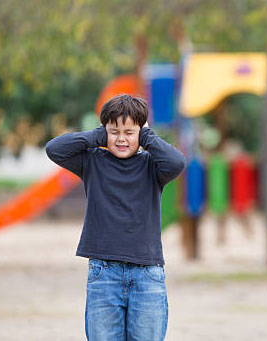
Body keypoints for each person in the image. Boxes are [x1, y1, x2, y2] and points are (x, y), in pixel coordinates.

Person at [46, 94, 186, 340]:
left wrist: (147, 137)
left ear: (141, 133)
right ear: (104, 132)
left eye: (130, 133)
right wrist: (98, 136)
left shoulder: (153, 167)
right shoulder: (92, 161)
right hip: (104, 272)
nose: (121, 139)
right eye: (114, 132)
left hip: (147, 274)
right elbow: (54, 149)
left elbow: (177, 163)